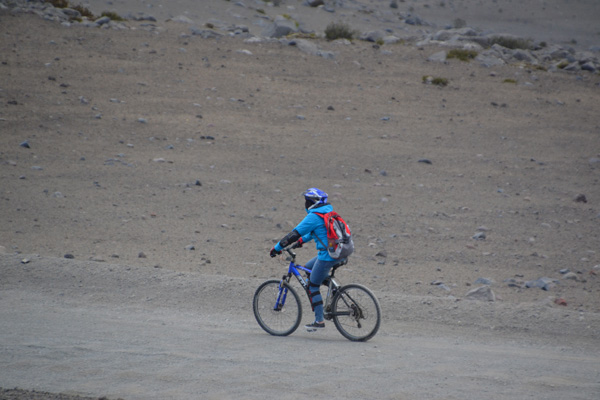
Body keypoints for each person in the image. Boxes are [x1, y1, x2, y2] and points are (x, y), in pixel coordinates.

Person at [270, 188, 345, 332]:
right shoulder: (327, 213)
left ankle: (319, 320)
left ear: (312, 202)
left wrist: (277, 248)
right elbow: (312, 233)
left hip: (328, 256)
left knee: (312, 285)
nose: (305, 203)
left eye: (307, 201)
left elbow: (293, 234)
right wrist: (300, 242)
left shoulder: (313, 217)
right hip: (340, 252)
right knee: (309, 269)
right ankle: (334, 288)